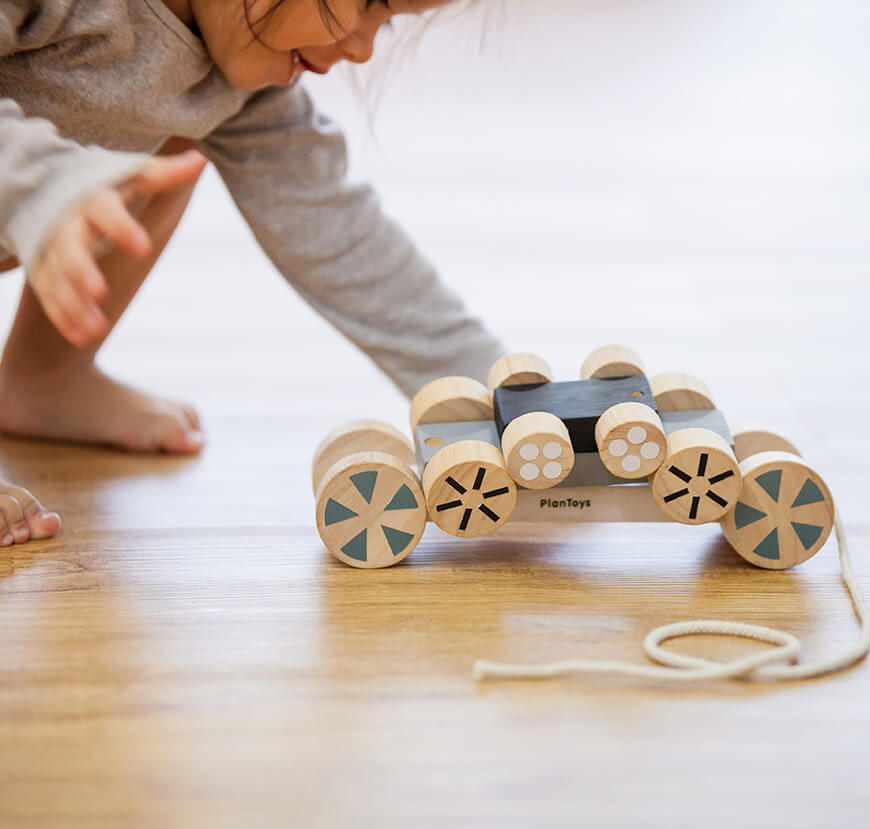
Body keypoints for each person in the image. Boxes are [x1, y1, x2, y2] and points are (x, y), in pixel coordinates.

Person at [0, 0, 504, 546]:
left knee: (175, 148)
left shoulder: (238, 76)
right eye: (365, 5)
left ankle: (45, 376)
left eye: (386, 23)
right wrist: (40, 186)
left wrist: (493, 401)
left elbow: (333, 231)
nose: (362, 49)